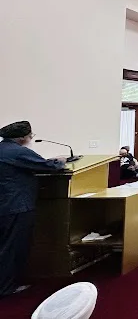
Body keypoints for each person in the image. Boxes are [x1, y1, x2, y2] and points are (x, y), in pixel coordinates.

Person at [0, 121, 65, 297]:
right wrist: (61, 161)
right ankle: (6, 288)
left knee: (4, 246)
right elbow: (49, 166)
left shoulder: (3, 149)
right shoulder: (18, 151)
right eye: (30, 136)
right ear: (22, 137)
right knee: (12, 248)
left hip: (5, 205)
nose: (30, 138)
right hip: (16, 206)